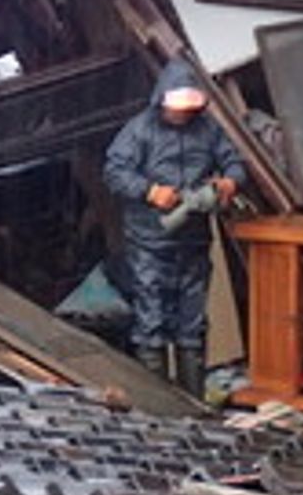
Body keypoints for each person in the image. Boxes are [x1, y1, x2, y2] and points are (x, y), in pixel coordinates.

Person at [103, 58, 246, 397]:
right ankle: (155, 400)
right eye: (176, 109)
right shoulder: (139, 130)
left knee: (191, 325)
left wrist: (229, 183)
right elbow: (114, 171)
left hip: (193, 241)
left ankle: (191, 401)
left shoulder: (209, 129)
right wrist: (150, 191)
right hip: (149, 240)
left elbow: (234, 162)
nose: (182, 114)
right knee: (151, 320)